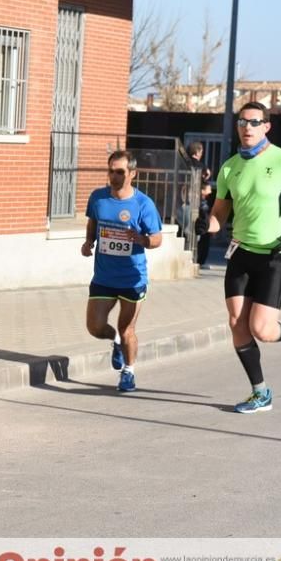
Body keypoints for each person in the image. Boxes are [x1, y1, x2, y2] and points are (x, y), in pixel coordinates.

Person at [206, 102, 281, 414]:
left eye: (254, 122)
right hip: (240, 253)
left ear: (266, 126)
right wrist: (204, 225)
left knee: (262, 329)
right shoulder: (229, 166)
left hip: (275, 255)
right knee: (237, 323)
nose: (247, 128)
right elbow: (219, 216)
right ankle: (260, 392)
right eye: (242, 122)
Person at [81, 150, 164, 392]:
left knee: (127, 329)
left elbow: (157, 239)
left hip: (132, 278)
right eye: (111, 171)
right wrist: (89, 242)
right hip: (104, 276)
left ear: (132, 174)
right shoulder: (98, 198)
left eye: (120, 172)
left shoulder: (142, 204)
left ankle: (128, 372)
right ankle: (115, 341)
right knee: (95, 327)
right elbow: (93, 222)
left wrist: (141, 239)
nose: (114, 177)